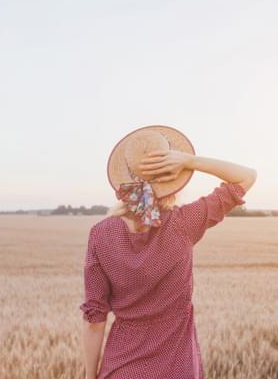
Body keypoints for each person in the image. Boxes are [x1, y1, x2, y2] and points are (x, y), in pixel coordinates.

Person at [79, 125, 257, 379]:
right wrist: (190, 161)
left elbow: (94, 319)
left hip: (121, 369)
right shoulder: (184, 223)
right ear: (175, 178)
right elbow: (246, 177)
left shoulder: (100, 234)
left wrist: (89, 376)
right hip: (177, 369)